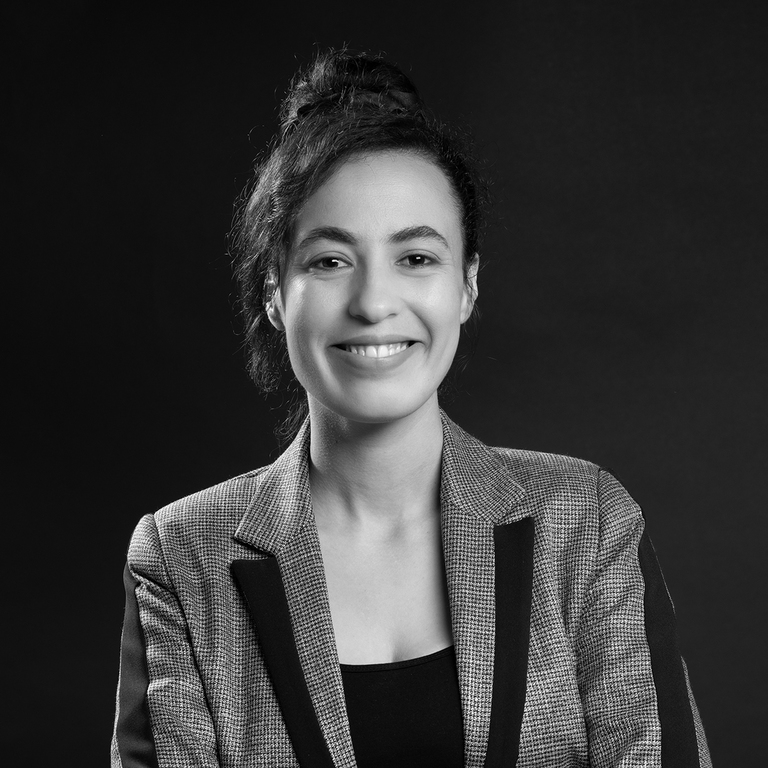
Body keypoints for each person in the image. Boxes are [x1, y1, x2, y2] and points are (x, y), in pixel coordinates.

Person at [111, 50, 711, 768]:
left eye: (417, 258)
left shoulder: (587, 524)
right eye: (329, 261)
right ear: (274, 293)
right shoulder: (180, 557)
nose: (373, 302)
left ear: (467, 284)